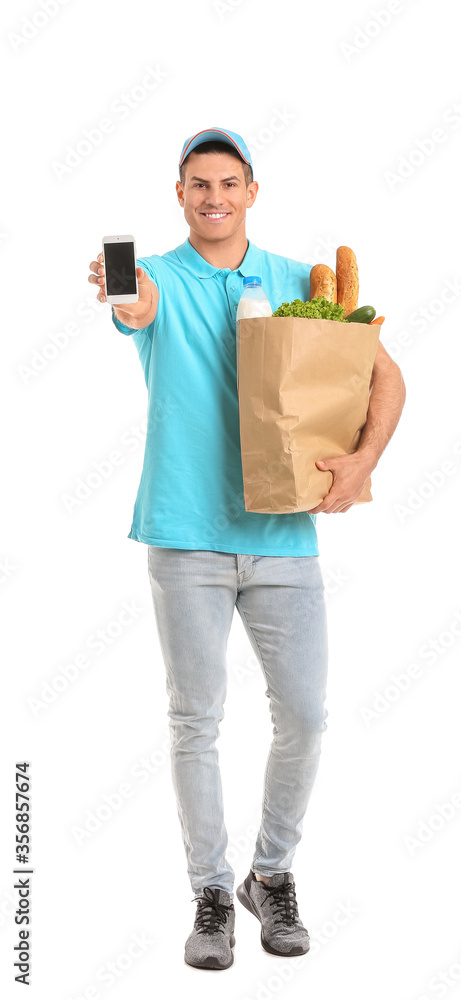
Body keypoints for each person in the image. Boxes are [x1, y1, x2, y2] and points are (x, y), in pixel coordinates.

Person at [88, 127, 406, 971]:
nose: (214, 197)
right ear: (180, 193)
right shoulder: (154, 277)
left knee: (303, 715)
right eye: (199, 184)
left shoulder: (304, 282)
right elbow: (136, 309)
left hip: (282, 538)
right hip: (185, 534)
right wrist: (120, 295)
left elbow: (385, 376)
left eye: (228, 183)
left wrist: (362, 461)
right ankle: (208, 890)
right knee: (196, 720)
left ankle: (270, 873)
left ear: (252, 191)